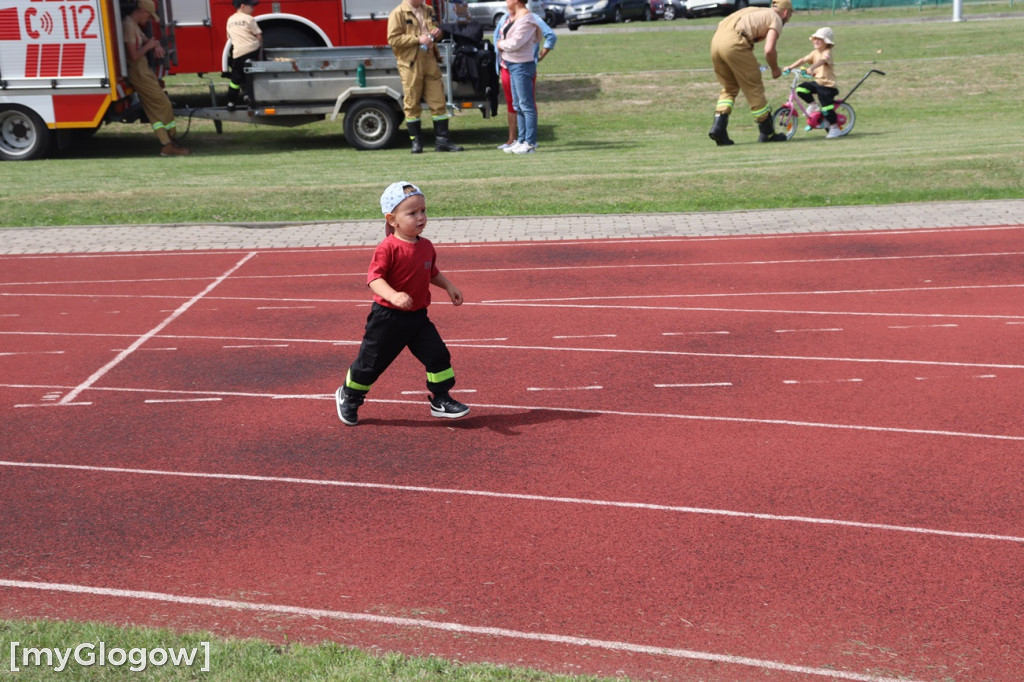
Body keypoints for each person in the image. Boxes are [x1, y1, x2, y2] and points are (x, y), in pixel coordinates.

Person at [335, 182, 470, 426]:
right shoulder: (387, 248)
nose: (421, 217)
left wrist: (449, 286)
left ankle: (440, 398)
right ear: (392, 219)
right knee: (371, 364)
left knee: (438, 354)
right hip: (387, 319)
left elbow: (431, 271)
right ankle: (350, 395)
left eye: (423, 211)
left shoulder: (426, 246)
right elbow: (374, 279)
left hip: (417, 318)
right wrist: (393, 295)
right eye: (412, 213)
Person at [707, 0, 794, 146]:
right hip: (735, 43)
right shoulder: (776, 18)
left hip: (716, 41)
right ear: (786, 12)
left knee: (729, 87)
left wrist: (749, 61)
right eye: (790, 15)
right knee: (754, 88)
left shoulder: (754, 10)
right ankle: (767, 132)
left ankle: (719, 128)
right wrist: (775, 69)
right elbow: (769, 50)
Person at [387, 0, 464, 153]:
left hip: (430, 59)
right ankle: (416, 143)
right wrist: (418, 39)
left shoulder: (428, 10)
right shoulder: (398, 13)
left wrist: (437, 33)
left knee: (438, 101)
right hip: (410, 62)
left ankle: (443, 141)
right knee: (412, 103)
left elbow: (435, 28)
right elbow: (393, 39)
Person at [122, 0, 189, 156]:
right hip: (138, 73)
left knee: (153, 109)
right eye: (149, 16)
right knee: (164, 104)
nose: (149, 20)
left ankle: (167, 143)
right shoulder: (128, 26)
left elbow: (148, 40)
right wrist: (149, 46)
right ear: (142, 11)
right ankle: (170, 138)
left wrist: (155, 44)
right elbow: (133, 56)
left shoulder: (133, 25)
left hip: (143, 71)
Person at [493, 5, 555, 151]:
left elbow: (515, 43)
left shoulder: (528, 19)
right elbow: (498, 37)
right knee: (517, 104)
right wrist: (500, 46)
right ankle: (520, 140)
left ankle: (530, 143)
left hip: (522, 64)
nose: (507, 2)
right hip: (509, 64)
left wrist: (540, 56)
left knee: (527, 105)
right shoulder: (507, 18)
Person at [784, 27, 841, 139]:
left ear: (826, 42)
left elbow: (823, 61)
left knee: (826, 108)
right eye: (815, 39)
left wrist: (812, 68)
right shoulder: (814, 52)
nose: (816, 41)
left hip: (827, 85)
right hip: (818, 82)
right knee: (801, 89)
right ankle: (813, 105)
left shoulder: (827, 52)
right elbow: (803, 60)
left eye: (820, 39)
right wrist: (790, 67)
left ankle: (834, 128)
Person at [225, 0, 263, 111]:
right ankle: (250, 97)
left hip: (238, 54)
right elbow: (259, 36)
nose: (253, 9)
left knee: (236, 79)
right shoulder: (249, 19)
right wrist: (260, 53)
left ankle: (231, 102)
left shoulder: (230, 19)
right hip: (252, 50)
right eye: (251, 6)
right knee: (252, 75)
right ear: (242, 6)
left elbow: (229, 37)